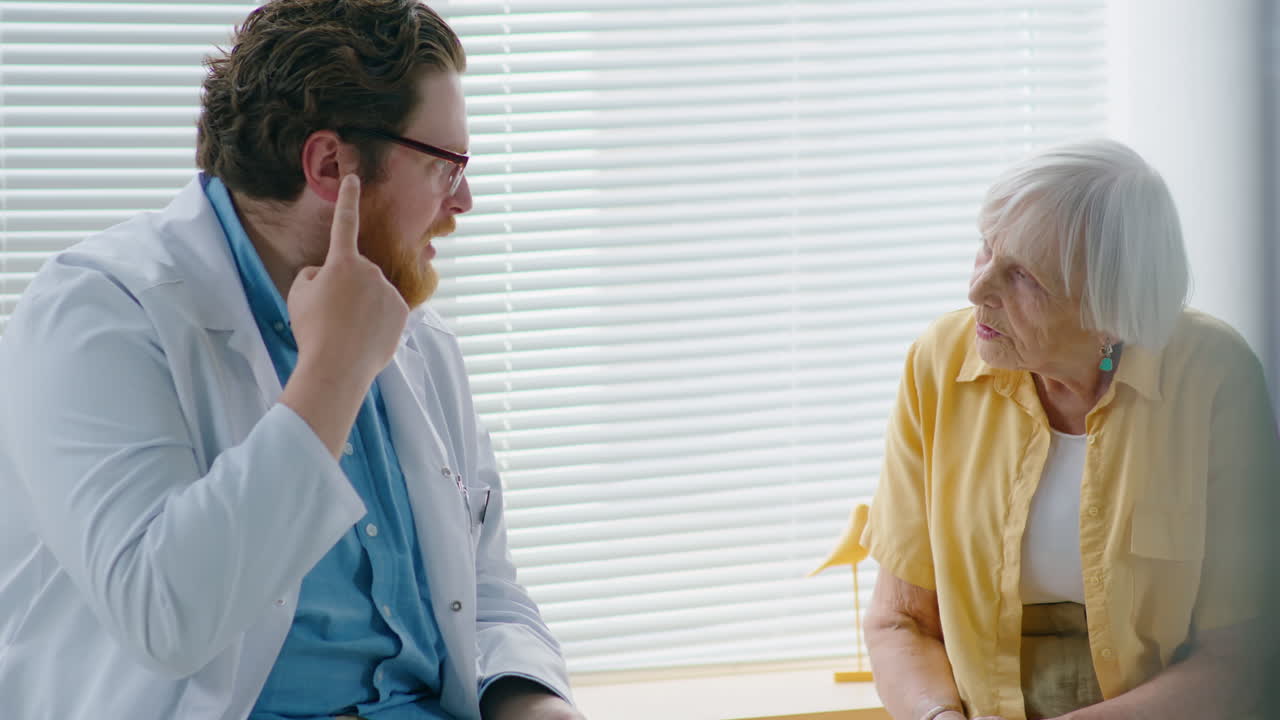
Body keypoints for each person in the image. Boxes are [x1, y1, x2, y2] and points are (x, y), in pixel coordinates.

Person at [0, 2, 584, 719]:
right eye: (444, 165)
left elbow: (484, 593)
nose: (463, 199)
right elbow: (165, 616)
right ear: (332, 165)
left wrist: (536, 704)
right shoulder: (97, 315)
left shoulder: (415, 336)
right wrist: (332, 374)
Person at [853, 139, 1280, 720]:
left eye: (1022, 276)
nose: (976, 289)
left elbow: (1240, 657)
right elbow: (900, 621)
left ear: (1111, 309)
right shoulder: (939, 363)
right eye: (986, 248)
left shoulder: (1213, 377)